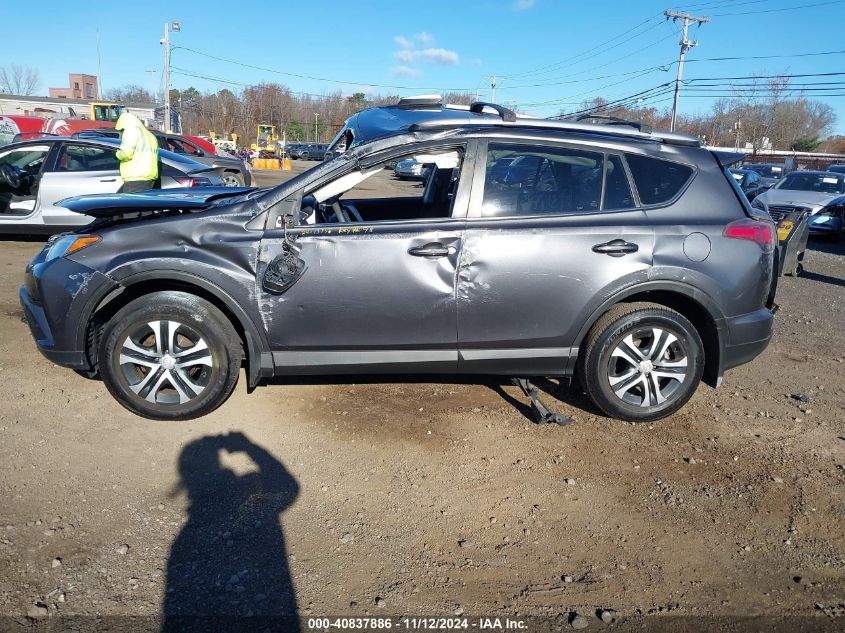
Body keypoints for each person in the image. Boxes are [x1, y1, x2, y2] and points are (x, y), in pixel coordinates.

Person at [114, 112, 159, 192]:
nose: (122, 132)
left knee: (131, 204)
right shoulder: (150, 135)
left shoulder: (131, 131)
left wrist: (117, 154)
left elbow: (126, 154)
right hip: (150, 177)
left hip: (135, 177)